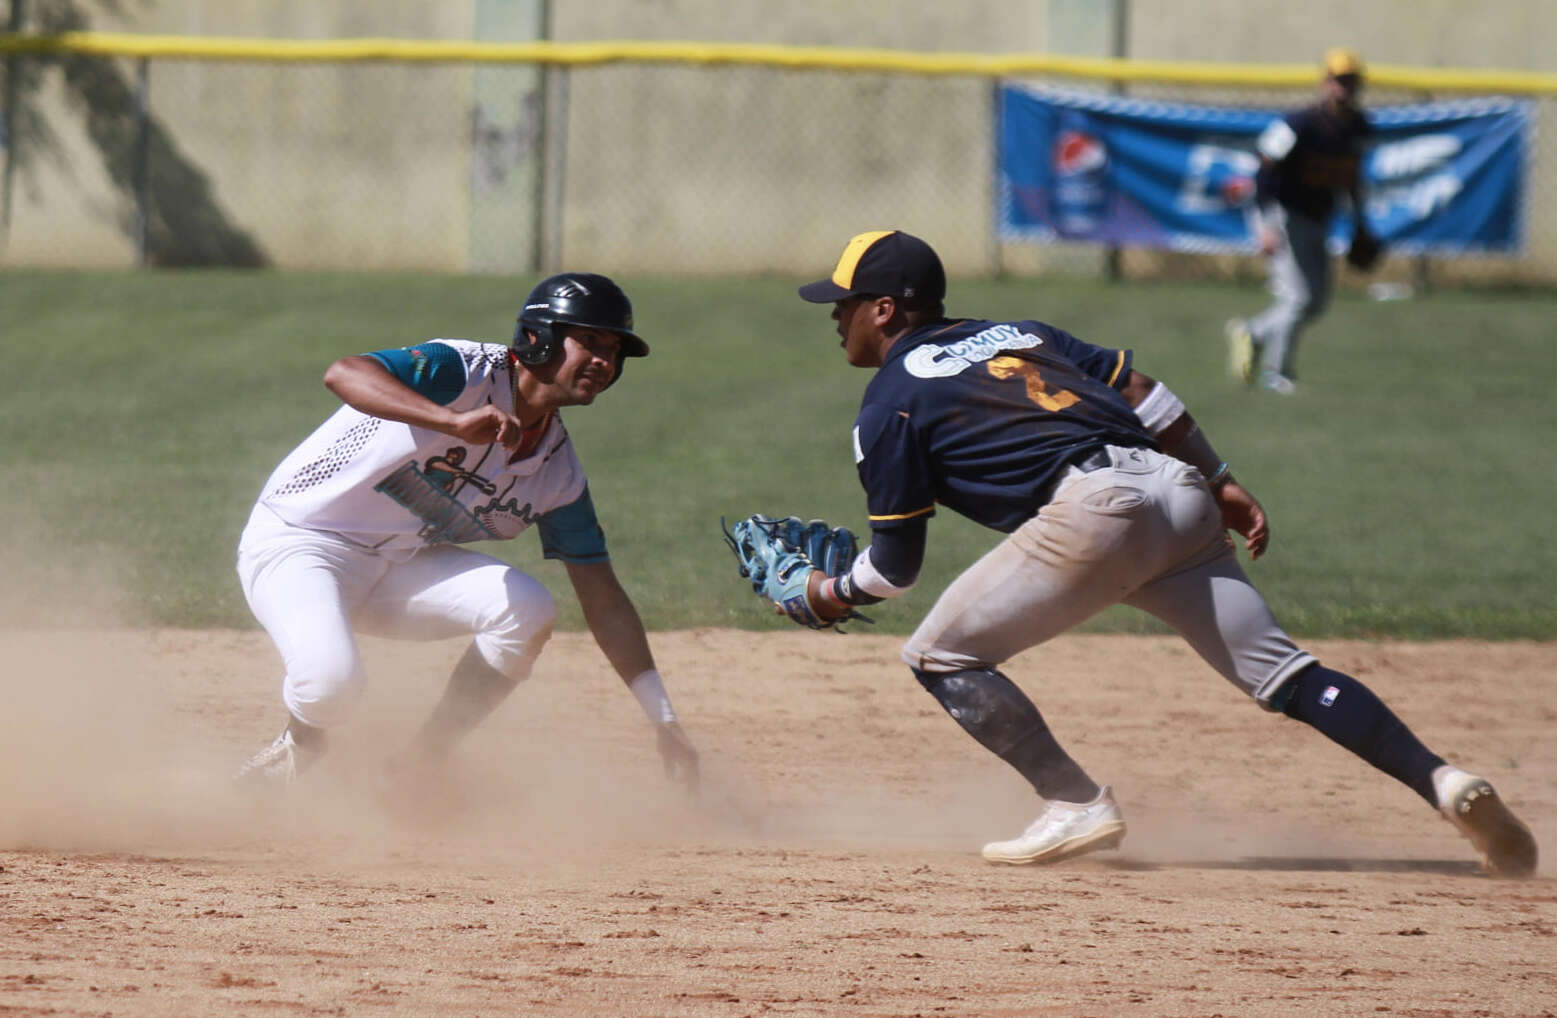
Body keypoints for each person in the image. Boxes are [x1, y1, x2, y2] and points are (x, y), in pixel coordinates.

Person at [794, 228, 1537, 876]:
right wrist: (1220, 480)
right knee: (1287, 674)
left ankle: (1073, 803)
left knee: (938, 655)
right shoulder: (1022, 331)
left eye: (843, 302)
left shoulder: (889, 400)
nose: (833, 317)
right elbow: (1145, 392)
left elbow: (895, 569)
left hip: (1093, 512)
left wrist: (822, 595)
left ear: (884, 308)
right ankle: (1442, 782)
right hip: (1174, 490)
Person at [234, 272, 699, 795]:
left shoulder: (557, 473)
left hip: (398, 568)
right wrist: (448, 420)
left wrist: (664, 720)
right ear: (538, 337)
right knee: (331, 684)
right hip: (301, 541)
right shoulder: (465, 369)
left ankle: (419, 764)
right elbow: (344, 373)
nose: (603, 361)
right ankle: (299, 747)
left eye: (613, 351)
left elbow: (603, 597)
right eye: (589, 341)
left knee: (527, 608)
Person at [1227, 47, 1373, 395]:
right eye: (1338, 79)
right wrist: (1264, 225)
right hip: (1281, 213)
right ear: (1326, 82)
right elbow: (1264, 167)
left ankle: (1254, 332)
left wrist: (1360, 224)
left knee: (1317, 302)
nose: (1344, 87)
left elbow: (1352, 179)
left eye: (1350, 80)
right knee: (1298, 299)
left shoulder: (1359, 127)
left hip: (1318, 216)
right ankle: (1277, 373)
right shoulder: (1300, 122)